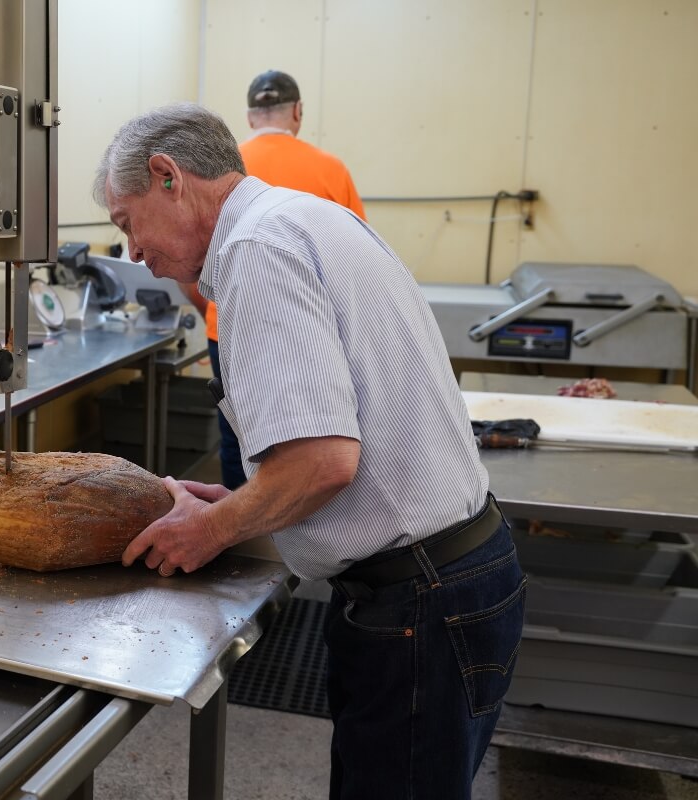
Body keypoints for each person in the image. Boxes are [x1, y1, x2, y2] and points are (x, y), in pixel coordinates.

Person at [94, 103, 525, 799]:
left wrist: (210, 528)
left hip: (421, 601)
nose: (133, 253)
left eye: (126, 223)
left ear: (167, 176)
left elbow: (323, 462)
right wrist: (243, 504)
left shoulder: (256, 251)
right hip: (453, 580)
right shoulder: (306, 218)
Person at [185, 69, 365, 491]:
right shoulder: (330, 169)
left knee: (241, 440)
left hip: (229, 329)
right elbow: (351, 259)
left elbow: (187, 258)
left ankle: (238, 534)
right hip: (314, 332)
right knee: (317, 440)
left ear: (249, 117)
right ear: (298, 112)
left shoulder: (220, 172)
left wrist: (213, 310)